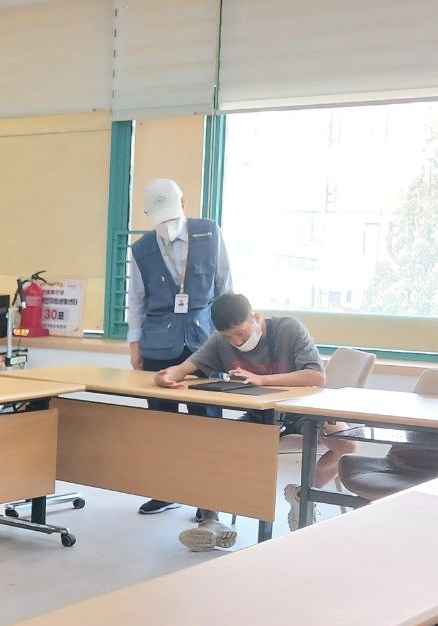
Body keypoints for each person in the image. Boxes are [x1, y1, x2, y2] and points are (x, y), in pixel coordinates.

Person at [154, 293, 330, 549]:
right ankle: (211, 523)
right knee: (211, 447)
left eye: (242, 333)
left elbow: (316, 377)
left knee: (346, 445)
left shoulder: (288, 329)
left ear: (256, 318)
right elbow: (182, 369)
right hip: (260, 418)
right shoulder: (219, 342)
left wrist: (263, 380)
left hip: (303, 411)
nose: (236, 342)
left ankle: (304, 495)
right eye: (229, 337)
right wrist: (165, 376)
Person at [127, 178, 233, 522]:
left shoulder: (209, 233)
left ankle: (209, 499)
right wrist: (134, 344)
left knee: (206, 424)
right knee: (163, 424)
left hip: (204, 343)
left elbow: (224, 288)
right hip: (158, 344)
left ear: (184, 204)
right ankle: (167, 490)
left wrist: (227, 342)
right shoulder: (141, 249)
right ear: (148, 215)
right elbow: (137, 300)